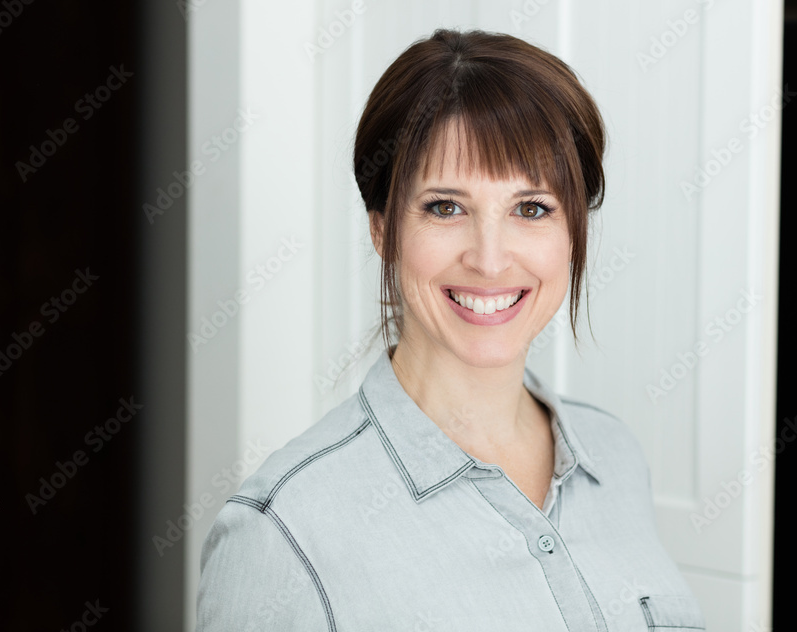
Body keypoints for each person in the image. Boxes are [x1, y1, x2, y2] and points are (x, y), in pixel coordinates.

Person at [196, 28, 706, 631]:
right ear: (382, 229)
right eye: (445, 207)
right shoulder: (282, 533)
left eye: (531, 208)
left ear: (573, 232)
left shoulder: (614, 457)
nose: (490, 260)